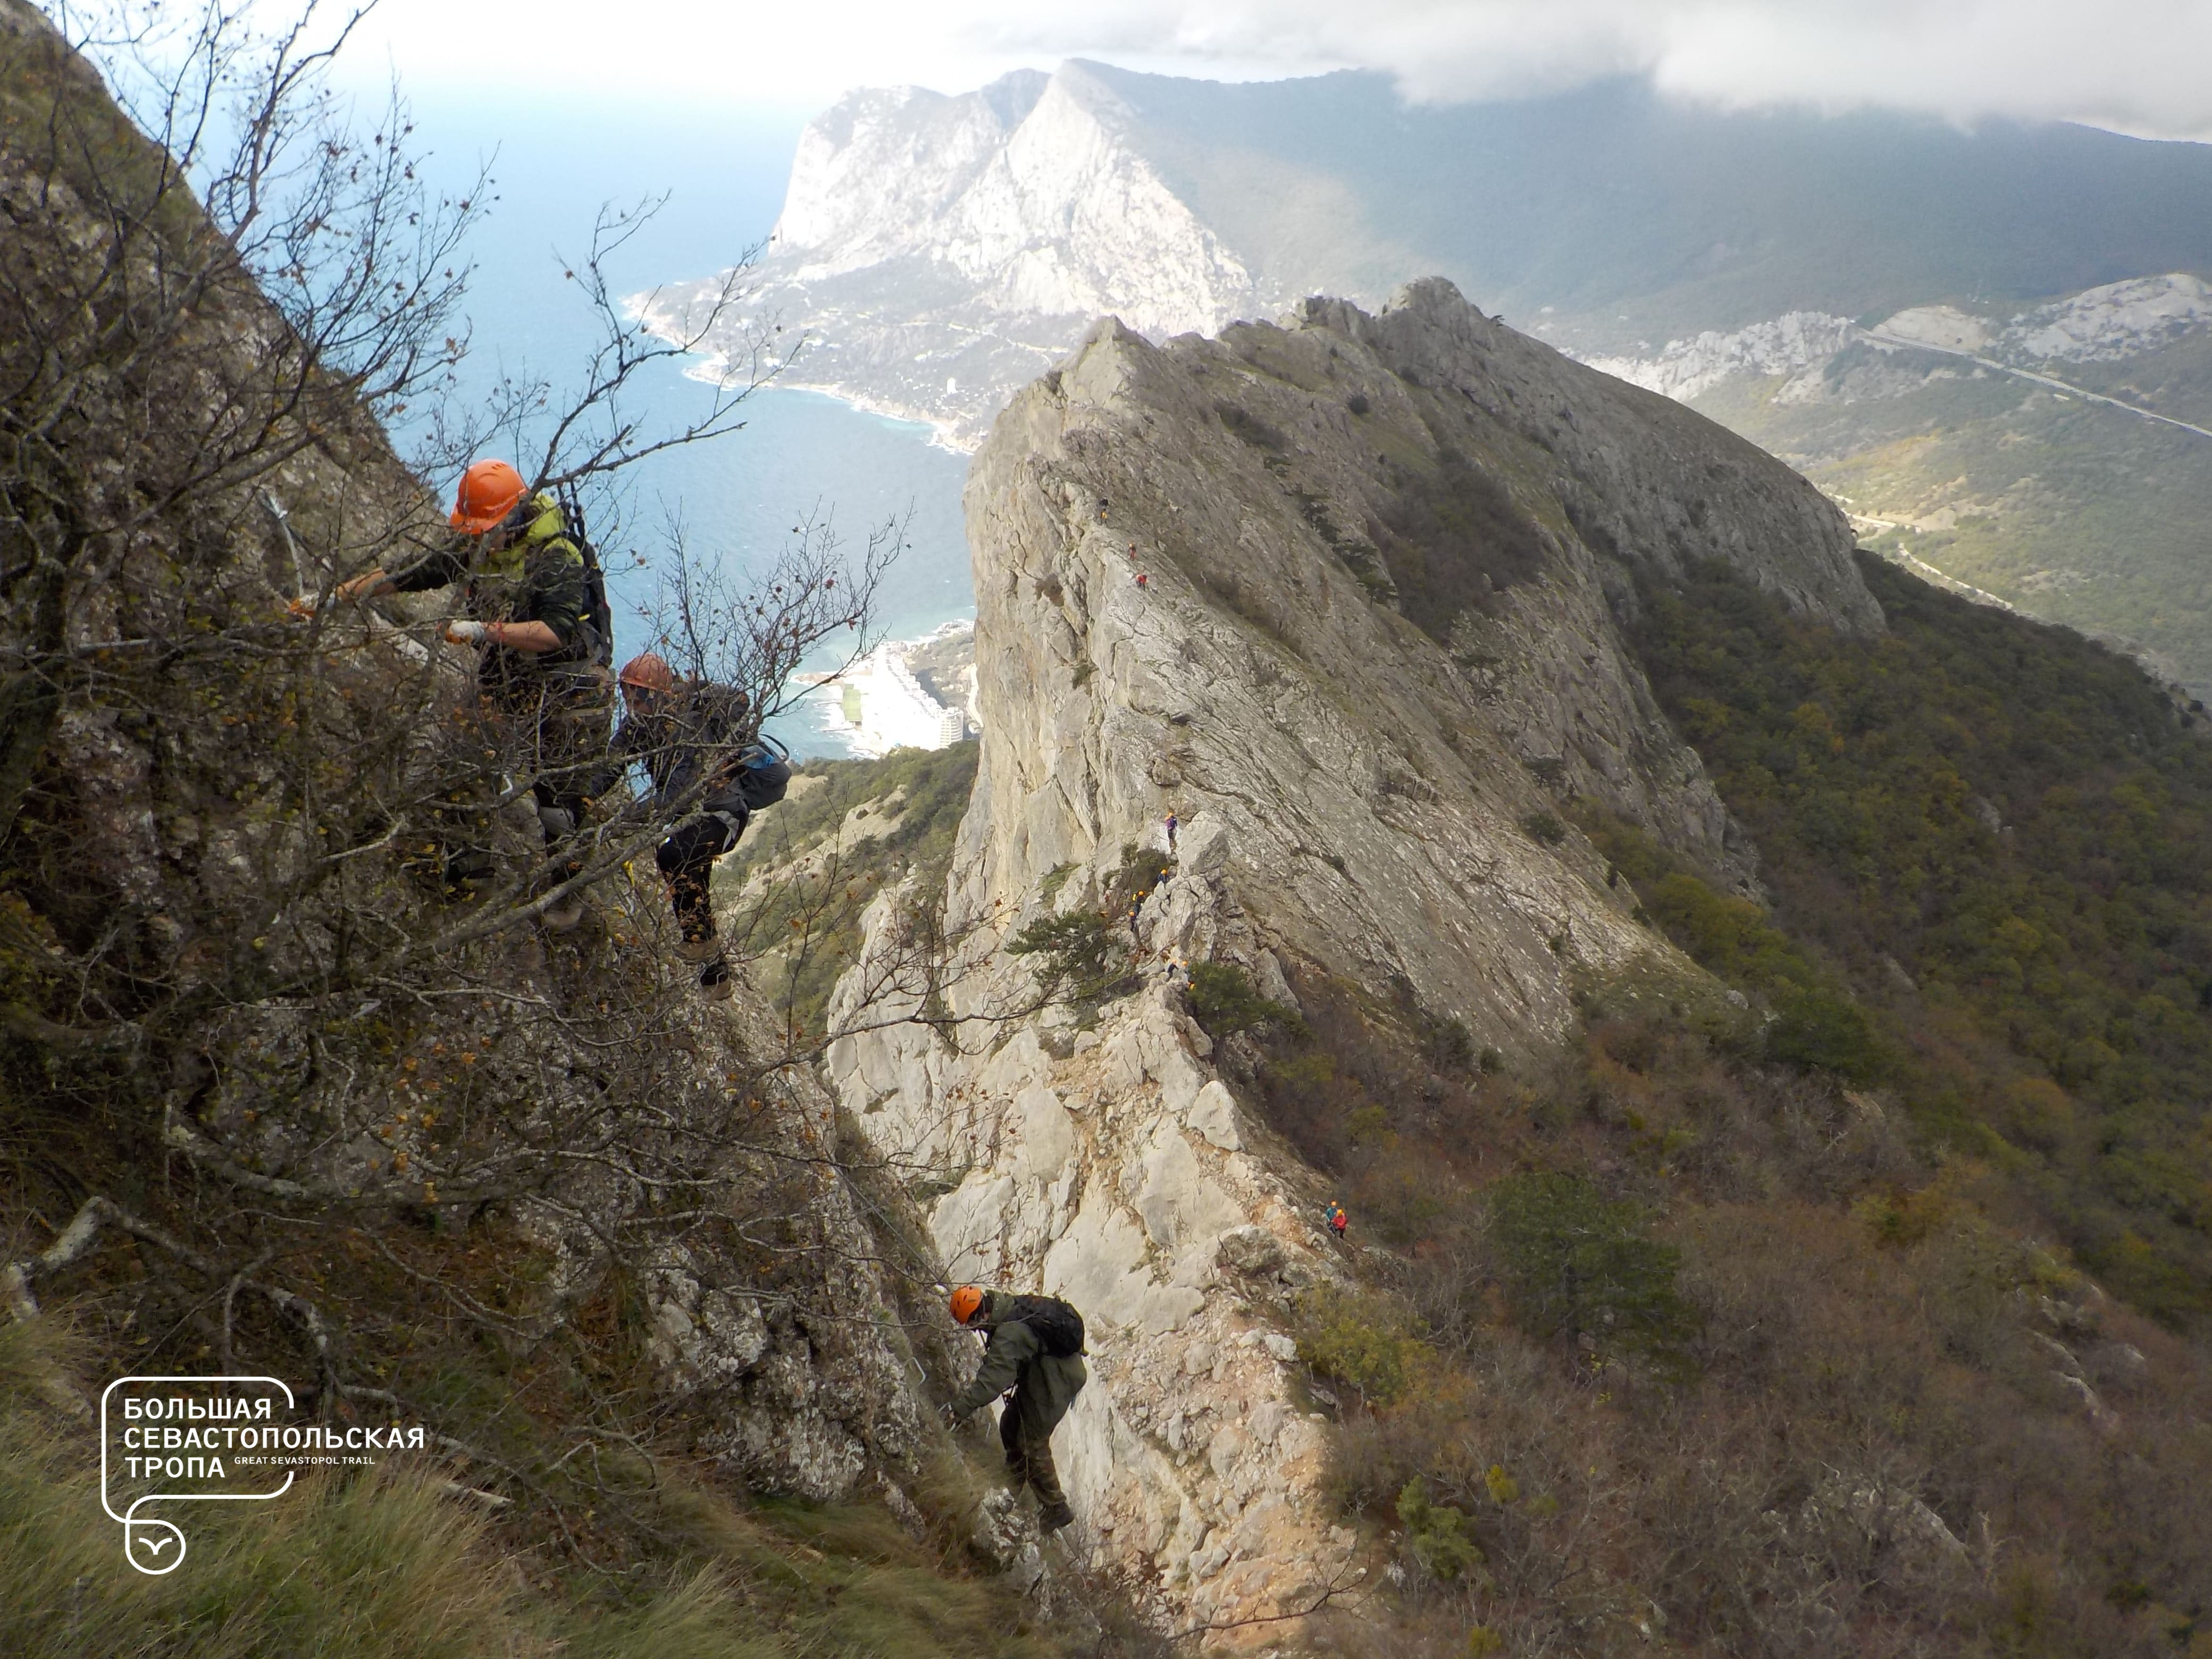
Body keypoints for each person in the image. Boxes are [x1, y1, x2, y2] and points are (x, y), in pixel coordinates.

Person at [320, 460, 612, 912]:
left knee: (561, 807)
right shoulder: (482, 546)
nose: (477, 537)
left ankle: (565, 895)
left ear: (513, 519)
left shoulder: (556, 558)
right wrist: (337, 595)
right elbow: (412, 572)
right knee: (464, 765)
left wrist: (482, 631)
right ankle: (470, 879)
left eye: (486, 528)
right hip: (508, 675)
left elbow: (555, 630)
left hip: (568, 688)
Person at [611, 652, 788, 1000]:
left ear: (659, 695)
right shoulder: (640, 726)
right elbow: (611, 764)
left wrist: (620, 821)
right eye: (628, 693)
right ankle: (716, 977)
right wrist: (580, 798)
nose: (633, 703)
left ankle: (706, 955)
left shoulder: (684, 727)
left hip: (722, 816)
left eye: (640, 695)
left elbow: (673, 795)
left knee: (674, 857)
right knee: (692, 886)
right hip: (697, 819)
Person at [946, 1286, 1087, 1534]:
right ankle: (1013, 1482)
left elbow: (992, 1382)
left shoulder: (1009, 1333)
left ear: (981, 1316)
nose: (975, 1330)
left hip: (1057, 1379)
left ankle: (1057, 1508)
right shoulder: (1004, 1306)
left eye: (973, 1324)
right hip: (1045, 1371)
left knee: (1032, 1440)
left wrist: (958, 1409)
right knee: (1011, 1424)